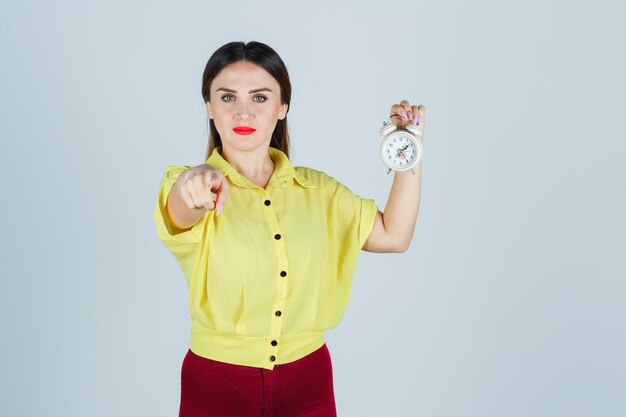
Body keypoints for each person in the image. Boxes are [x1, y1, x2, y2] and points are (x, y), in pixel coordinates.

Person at [153, 40, 424, 417]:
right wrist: (196, 181)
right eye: (228, 98)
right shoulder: (188, 184)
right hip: (218, 381)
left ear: (283, 107)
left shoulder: (320, 192)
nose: (243, 111)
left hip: (308, 378)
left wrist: (409, 147)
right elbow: (181, 209)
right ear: (209, 108)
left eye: (260, 98)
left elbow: (395, 236)